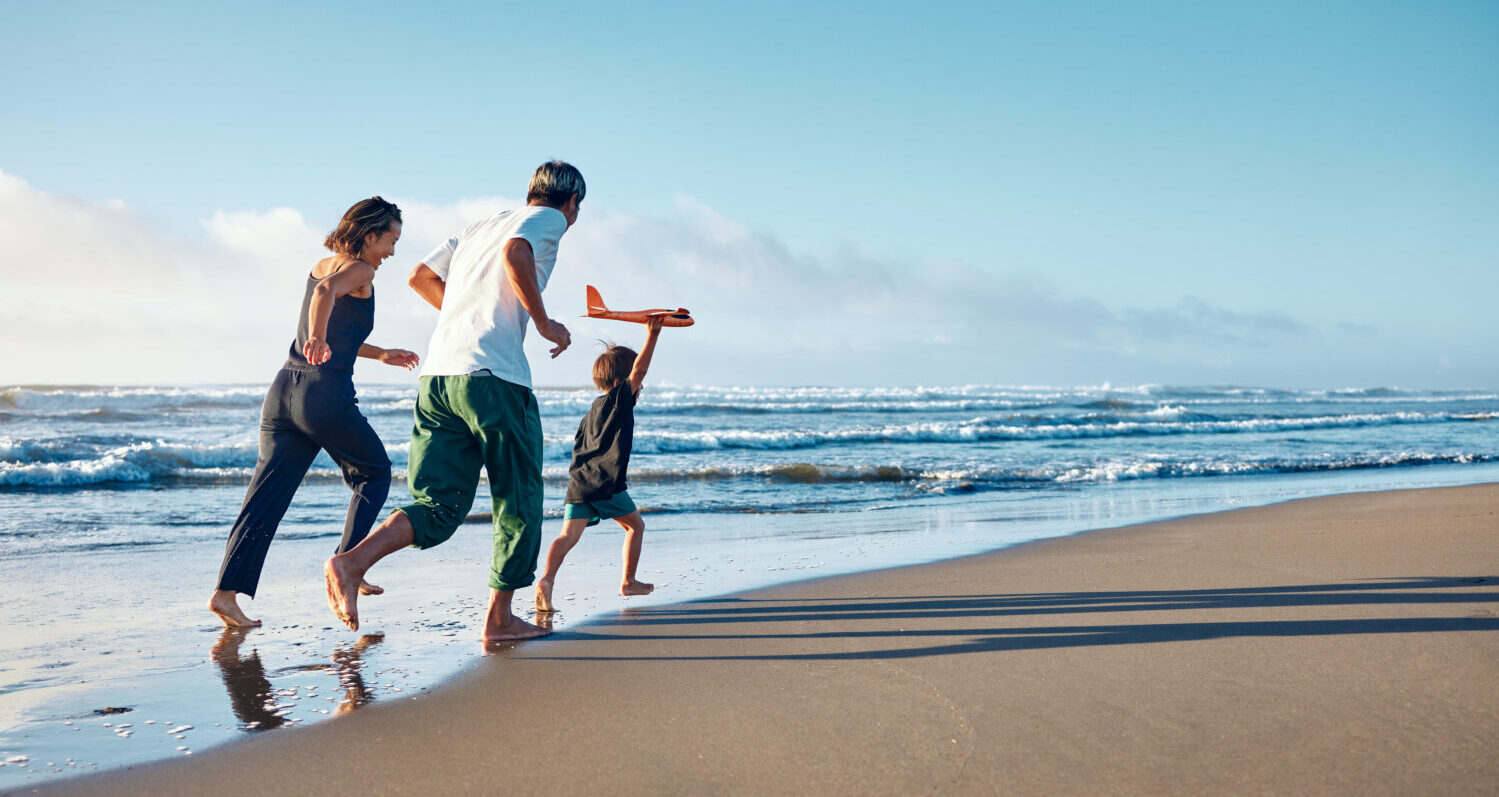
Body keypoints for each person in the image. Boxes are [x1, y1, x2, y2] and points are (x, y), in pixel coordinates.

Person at [324, 161, 583, 642]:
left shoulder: (478, 225)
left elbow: (420, 276)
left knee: (437, 503)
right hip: (494, 378)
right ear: (570, 203)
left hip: (440, 377)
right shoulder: (548, 218)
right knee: (519, 497)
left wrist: (472, 312)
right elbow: (516, 252)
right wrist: (543, 323)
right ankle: (500, 620)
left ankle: (351, 561)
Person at [209, 197, 419, 628]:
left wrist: (379, 354)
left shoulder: (324, 263)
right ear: (370, 234)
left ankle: (225, 594)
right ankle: (349, 566)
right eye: (391, 240)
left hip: (284, 389)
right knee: (374, 473)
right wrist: (321, 338)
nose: (392, 252)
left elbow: (326, 314)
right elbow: (325, 303)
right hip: (323, 394)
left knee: (265, 497)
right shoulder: (361, 269)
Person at [535, 316, 664, 613]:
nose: (639, 389)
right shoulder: (620, 400)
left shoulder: (592, 410)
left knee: (567, 535)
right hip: (606, 484)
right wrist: (653, 334)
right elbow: (641, 368)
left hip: (579, 483)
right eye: (637, 385)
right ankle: (628, 581)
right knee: (636, 527)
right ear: (621, 383)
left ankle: (546, 580)